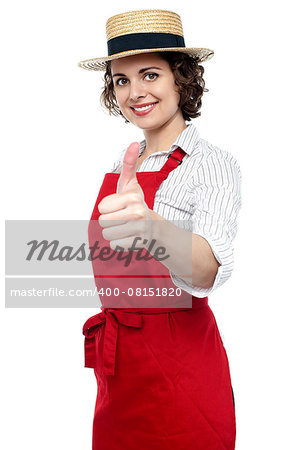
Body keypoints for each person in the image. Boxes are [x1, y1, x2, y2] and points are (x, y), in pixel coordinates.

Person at [78, 9, 242, 450]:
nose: (136, 92)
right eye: (122, 80)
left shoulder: (210, 164)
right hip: (120, 373)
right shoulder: (120, 166)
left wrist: (150, 223)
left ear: (181, 79)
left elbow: (207, 271)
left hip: (182, 372)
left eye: (150, 74)